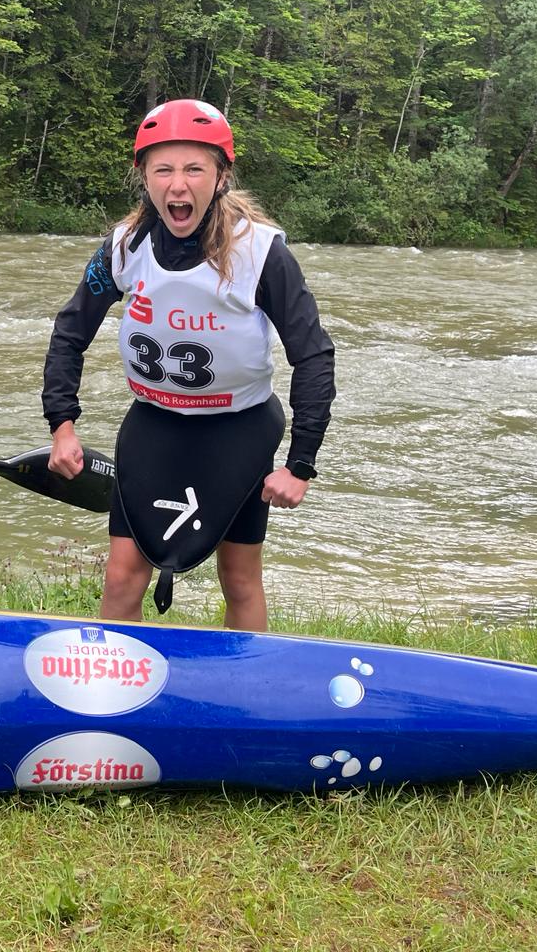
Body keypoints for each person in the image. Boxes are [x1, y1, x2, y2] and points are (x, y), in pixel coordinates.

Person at [43, 99, 334, 630]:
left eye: (194, 169)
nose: (179, 186)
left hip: (238, 433)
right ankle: (112, 696)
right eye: (164, 170)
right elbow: (69, 333)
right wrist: (62, 425)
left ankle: (244, 697)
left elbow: (312, 355)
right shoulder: (123, 248)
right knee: (121, 576)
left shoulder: (262, 255)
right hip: (154, 429)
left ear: (221, 176)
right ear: (144, 177)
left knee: (240, 578)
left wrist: (300, 464)